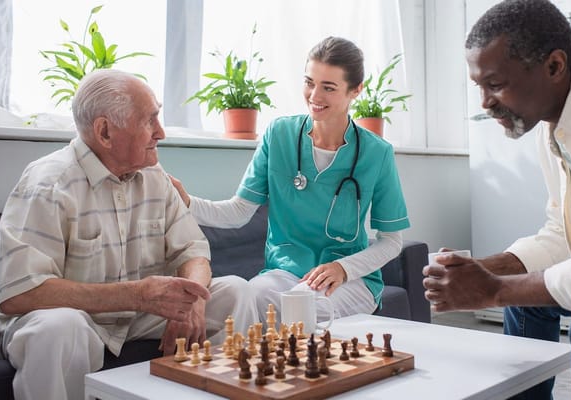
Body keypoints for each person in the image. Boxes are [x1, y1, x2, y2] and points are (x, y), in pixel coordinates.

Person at [0, 69, 258, 400]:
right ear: (105, 131)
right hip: (72, 321)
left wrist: (192, 298)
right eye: (149, 121)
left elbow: (193, 250)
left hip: (138, 318)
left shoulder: (154, 176)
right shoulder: (48, 184)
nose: (161, 133)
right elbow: (21, 294)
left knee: (236, 293)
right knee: (59, 328)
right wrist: (137, 295)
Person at [422, 1, 571, 399]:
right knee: (526, 297)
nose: (484, 101)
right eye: (479, 86)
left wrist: (495, 290)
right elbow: (562, 234)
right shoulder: (554, 127)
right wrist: (487, 270)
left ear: (554, 66)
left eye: (495, 84)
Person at [172, 36, 410, 325]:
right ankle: (239, 370)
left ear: (355, 90)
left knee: (300, 306)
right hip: (283, 273)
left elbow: (392, 241)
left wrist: (342, 268)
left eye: (328, 87)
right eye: (309, 82)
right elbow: (238, 212)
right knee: (248, 297)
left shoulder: (376, 153)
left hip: (350, 279)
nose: (314, 95)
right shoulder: (279, 135)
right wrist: (186, 201)